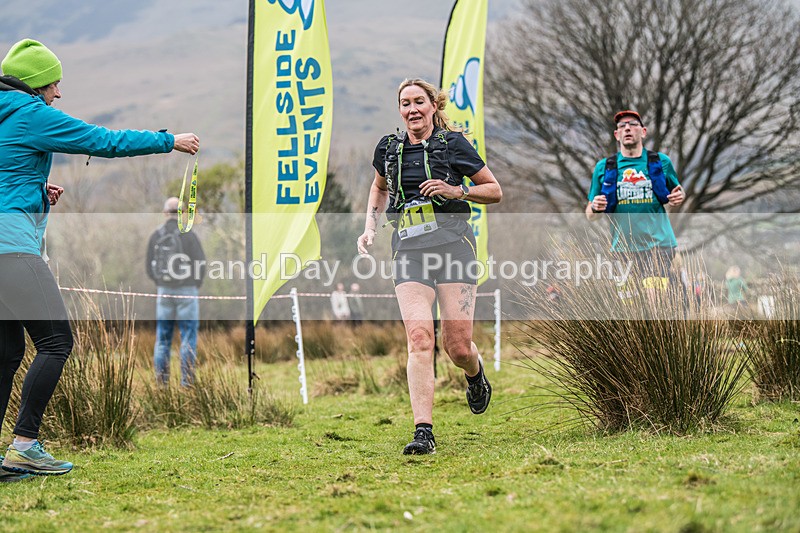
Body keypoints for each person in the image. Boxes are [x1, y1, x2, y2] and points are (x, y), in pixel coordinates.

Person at [0, 39, 199, 480]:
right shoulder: (30, 113)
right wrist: (169, 141)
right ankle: (25, 445)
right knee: (56, 342)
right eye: (55, 83)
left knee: (7, 353)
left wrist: (37, 193)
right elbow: (100, 140)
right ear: (36, 84)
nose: (59, 93)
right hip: (12, 249)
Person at [357, 78, 502, 455]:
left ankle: (475, 373)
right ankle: (424, 431)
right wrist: (370, 227)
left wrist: (457, 190)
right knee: (420, 338)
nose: (412, 110)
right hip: (409, 249)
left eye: (419, 102)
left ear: (433, 105)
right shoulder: (388, 148)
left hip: (455, 247)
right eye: (405, 103)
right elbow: (378, 187)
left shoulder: (453, 144)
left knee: (457, 348)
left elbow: (494, 190)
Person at [586, 110, 685, 291]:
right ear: (617, 135)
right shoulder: (604, 167)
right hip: (622, 249)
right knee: (629, 305)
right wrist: (595, 207)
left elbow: (678, 191)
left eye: (632, 124)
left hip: (659, 245)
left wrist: (680, 196)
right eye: (622, 126)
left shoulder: (660, 161)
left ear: (643, 131)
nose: (627, 128)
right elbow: (590, 215)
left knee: (654, 296)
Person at [146, 197, 206, 387]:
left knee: (163, 339)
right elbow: (201, 263)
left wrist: (160, 283)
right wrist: (194, 284)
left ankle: (161, 384)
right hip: (187, 290)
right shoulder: (188, 235)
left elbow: (149, 266)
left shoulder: (156, 235)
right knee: (188, 337)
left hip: (164, 291)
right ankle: (187, 384)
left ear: (165, 213)